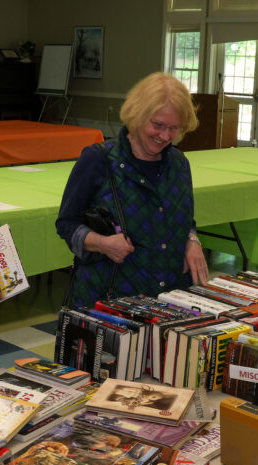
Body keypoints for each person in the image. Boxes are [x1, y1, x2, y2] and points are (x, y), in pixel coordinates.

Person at [56, 72, 210, 309]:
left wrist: (192, 239)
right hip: (108, 303)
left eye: (174, 128)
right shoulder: (98, 160)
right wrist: (102, 243)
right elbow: (66, 224)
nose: (165, 136)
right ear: (137, 115)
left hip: (169, 300)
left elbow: (185, 219)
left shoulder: (179, 163)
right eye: (157, 125)